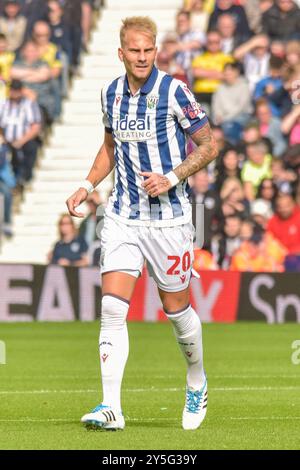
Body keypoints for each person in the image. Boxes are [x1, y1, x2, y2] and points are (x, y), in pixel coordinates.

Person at [66, 16, 218, 431]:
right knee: (112, 307)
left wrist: (171, 177)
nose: (141, 57)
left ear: (155, 51)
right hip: (121, 216)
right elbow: (110, 147)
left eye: (148, 50)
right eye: (134, 50)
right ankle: (111, 407)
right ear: (121, 53)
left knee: (176, 309)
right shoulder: (110, 93)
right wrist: (86, 185)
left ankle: (196, 379)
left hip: (170, 221)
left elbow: (208, 144)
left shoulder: (174, 91)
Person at [0, 79, 41, 187]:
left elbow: (36, 127)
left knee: (31, 147)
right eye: (13, 89)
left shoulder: (28, 104)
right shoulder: (3, 104)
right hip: (6, 141)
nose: (14, 92)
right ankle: (12, 182)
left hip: (24, 140)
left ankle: (24, 179)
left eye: (17, 90)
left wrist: (21, 141)